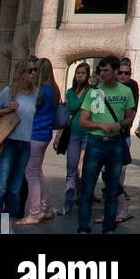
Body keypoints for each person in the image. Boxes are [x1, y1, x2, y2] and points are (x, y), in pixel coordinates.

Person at [77, 55, 136, 235]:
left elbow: (130, 115)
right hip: (95, 143)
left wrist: (121, 124)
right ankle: (83, 228)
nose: (102, 74)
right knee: (87, 188)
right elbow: (83, 121)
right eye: (100, 70)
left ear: (116, 71)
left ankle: (109, 228)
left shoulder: (125, 92)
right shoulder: (94, 92)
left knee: (111, 189)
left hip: (115, 143)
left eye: (106, 70)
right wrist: (100, 125)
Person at [0, 58, 38, 225]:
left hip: (25, 145)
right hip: (8, 143)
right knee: (1, 187)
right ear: (21, 73)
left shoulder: (36, 93)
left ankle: (8, 222)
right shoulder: (9, 91)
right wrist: (7, 110)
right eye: (30, 70)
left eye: (35, 70)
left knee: (15, 189)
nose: (33, 73)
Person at [16, 57, 61, 225]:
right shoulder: (53, 89)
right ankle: (46, 208)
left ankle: (34, 213)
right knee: (37, 171)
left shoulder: (40, 90)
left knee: (31, 173)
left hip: (34, 134)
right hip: (45, 134)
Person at [56, 61, 91, 214]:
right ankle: (68, 201)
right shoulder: (70, 92)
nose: (80, 76)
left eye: (83, 73)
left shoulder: (91, 92)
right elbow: (65, 116)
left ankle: (84, 199)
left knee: (82, 169)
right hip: (73, 134)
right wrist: (58, 136)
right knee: (71, 168)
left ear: (88, 75)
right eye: (78, 73)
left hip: (88, 134)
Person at [113, 56, 139, 224]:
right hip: (106, 137)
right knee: (110, 174)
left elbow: (132, 112)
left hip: (121, 135)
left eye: (126, 73)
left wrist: (121, 124)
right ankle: (116, 204)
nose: (123, 76)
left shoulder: (131, 88)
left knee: (118, 172)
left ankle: (120, 205)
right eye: (120, 73)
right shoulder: (108, 88)